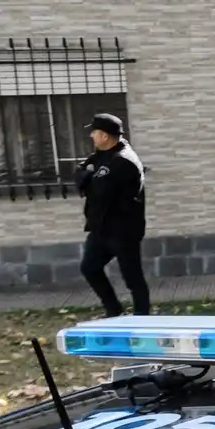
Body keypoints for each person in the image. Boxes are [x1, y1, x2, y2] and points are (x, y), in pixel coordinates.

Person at [75, 112, 149, 317]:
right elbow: (80, 175)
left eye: (94, 132)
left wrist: (88, 177)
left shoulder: (123, 160)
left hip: (123, 230)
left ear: (105, 135)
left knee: (132, 278)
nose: (91, 136)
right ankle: (114, 311)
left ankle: (143, 320)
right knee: (90, 268)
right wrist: (88, 176)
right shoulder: (101, 154)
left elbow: (99, 189)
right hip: (101, 228)